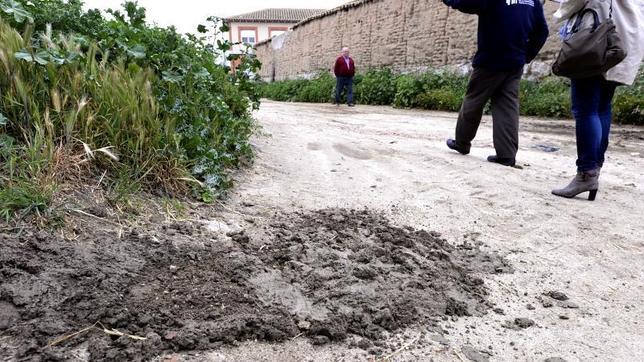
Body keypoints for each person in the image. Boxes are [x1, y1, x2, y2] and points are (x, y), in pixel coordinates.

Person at [552, 0, 643, 201]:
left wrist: (559, 12)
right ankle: (594, 170)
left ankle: (587, 172)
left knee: (585, 109)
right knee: (602, 107)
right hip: (622, 41)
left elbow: (573, 3)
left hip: (595, 42)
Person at [443, 0, 550, 167]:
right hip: (515, 61)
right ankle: (506, 155)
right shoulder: (533, 1)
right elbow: (542, 31)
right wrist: (526, 56)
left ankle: (462, 143)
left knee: (474, 101)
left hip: (491, 59)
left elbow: (466, 3)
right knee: (507, 106)